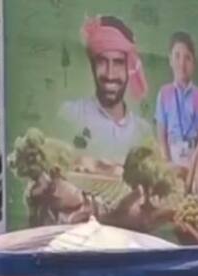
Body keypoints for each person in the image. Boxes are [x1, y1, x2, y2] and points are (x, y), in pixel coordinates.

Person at [60, 16, 154, 165]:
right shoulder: (71, 114)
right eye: (102, 62)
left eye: (118, 62)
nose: (110, 75)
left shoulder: (143, 132)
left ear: (128, 68)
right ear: (92, 66)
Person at [156, 32, 198, 167]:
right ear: (170, 60)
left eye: (187, 58)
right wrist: (167, 163)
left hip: (193, 156)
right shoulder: (164, 93)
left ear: (193, 63)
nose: (182, 63)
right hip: (171, 154)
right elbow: (161, 134)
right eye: (177, 56)